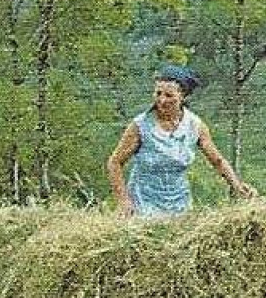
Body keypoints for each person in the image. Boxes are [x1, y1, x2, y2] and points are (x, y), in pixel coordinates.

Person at [106, 65, 256, 217]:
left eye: (169, 95)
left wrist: (237, 185)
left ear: (182, 96)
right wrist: (124, 201)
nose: (162, 100)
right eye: (158, 93)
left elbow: (217, 161)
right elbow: (114, 162)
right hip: (143, 202)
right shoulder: (140, 125)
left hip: (179, 204)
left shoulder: (194, 125)